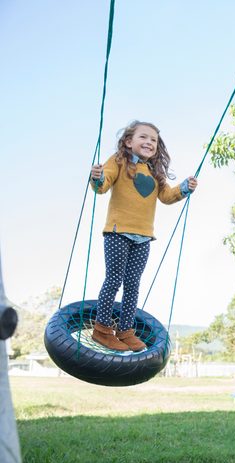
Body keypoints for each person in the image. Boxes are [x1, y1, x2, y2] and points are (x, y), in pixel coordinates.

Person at [89, 121, 197, 351]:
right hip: (118, 232)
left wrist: (185, 188)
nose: (149, 142)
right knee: (114, 280)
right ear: (129, 141)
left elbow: (167, 196)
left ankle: (126, 331)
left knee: (133, 284)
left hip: (144, 237)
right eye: (143, 137)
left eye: (153, 140)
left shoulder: (154, 172)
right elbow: (102, 185)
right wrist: (96, 177)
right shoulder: (118, 162)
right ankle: (102, 329)